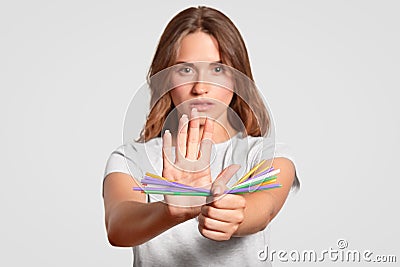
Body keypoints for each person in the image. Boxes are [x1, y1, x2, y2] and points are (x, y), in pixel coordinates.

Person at [103, 6, 299, 266]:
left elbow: (264, 209)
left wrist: (233, 215)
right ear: (165, 79)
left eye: (218, 70)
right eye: (185, 70)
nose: (200, 87)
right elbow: (118, 226)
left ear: (238, 79)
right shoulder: (132, 158)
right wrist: (170, 212)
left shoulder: (268, 155)